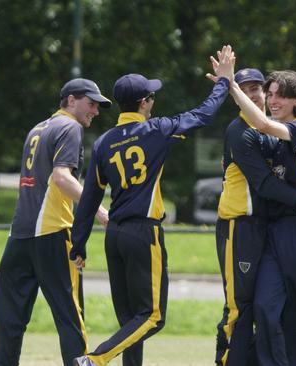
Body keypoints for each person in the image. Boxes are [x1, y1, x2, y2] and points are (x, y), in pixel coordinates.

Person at [68, 46, 236, 366]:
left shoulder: (104, 141)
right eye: (152, 97)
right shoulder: (156, 129)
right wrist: (224, 82)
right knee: (152, 317)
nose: (153, 102)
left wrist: (78, 245)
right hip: (143, 234)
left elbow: (89, 198)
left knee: (132, 320)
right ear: (144, 103)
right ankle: (93, 360)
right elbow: (203, 114)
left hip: (114, 235)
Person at [205, 65, 296, 366]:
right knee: (265, 308)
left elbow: (278, 130)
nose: (270, 99)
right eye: (270, 93)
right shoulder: (256, 132)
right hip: (274, 231)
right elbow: (265, 136)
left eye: (279, 95)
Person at [0, 78, 111, 366]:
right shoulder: (69, 127)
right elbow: (61, 177)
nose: (95, 111)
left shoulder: (38, 128)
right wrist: (98, 209)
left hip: (19, 235)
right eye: (91, 103)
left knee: (10, 319)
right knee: (70, 316)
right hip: (52, 232)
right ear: (71, 100)